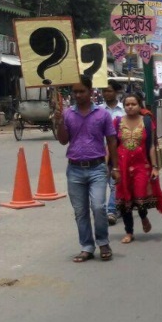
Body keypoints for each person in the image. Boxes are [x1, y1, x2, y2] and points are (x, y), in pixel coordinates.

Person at [52, 75, 120, 263]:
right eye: (75, 91)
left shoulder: (102, 114)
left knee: (98, 207)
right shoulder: (67, 114)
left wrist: (115, 167)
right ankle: (87, 247)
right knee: (80, 211)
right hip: (74, 169)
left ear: (91, 92)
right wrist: (59, 122)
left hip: (97, 167)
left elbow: (112, 141)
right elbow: (63, 140)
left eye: (82, 91)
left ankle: (103, 242)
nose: (78, 95)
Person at [113, 94, 162, 243]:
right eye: (127, 104)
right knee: (124, 198)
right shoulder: (117, 122)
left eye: (133, 104)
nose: (130, 107)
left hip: (141, 165)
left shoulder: (147, 121)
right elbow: (112, 145)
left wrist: (155, 167)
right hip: (123, 165)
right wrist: (112, 167)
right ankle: (129, 232)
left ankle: (143, 216)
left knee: (140, 195)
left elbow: (151, 146)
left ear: (140, 106)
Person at [101, 81, 126, 225]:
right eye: (104, 91)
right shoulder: (98, 110)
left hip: (119, 151)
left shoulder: (123, 110)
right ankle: (105, 209)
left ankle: (111, 211)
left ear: (116, 92)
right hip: (101, 152)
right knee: (101, 182)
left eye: (109, 91)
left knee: (114, 182)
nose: (106, 93)